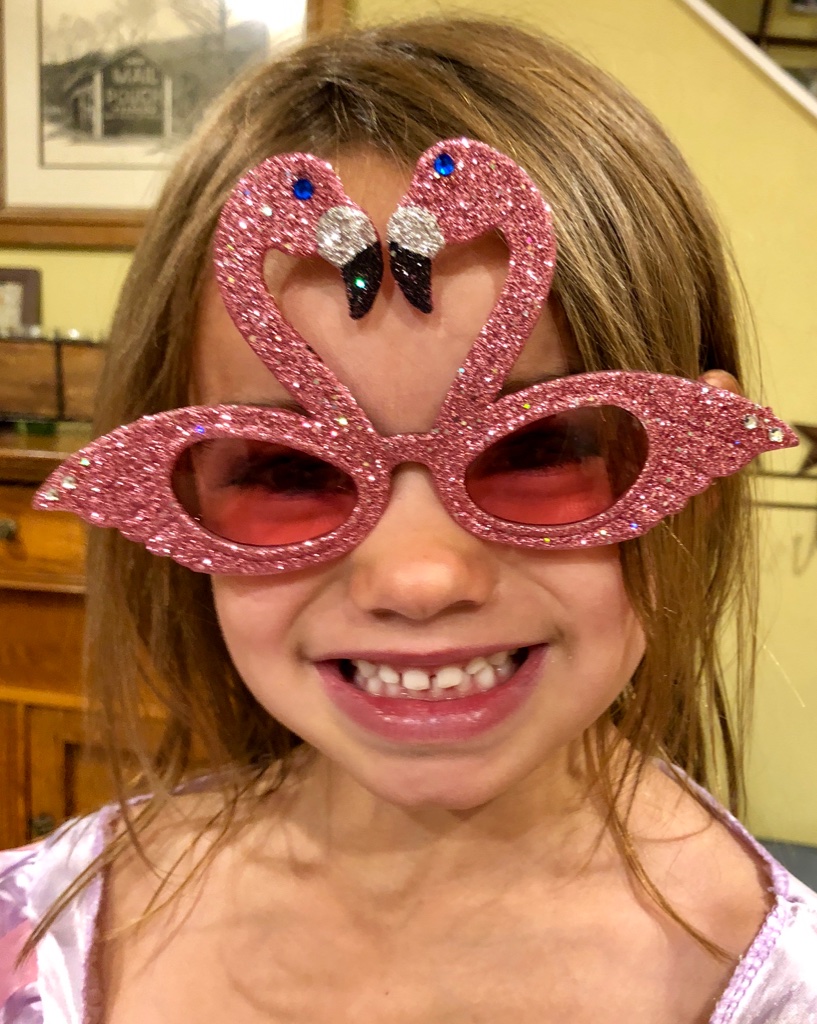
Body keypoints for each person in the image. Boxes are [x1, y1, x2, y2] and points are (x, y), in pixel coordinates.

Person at [1, 16, 814, 1024]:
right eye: (285, 469)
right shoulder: (38, 933)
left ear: (691, 466)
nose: (416, 577)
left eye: (540, 449)